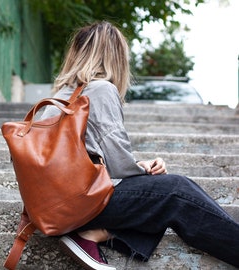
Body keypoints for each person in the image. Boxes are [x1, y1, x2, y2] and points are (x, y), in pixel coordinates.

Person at [41, 21, 239, 270]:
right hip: (78, 204)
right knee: (176, 190)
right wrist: (144, 173)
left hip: (52, 205)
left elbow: (88, 160)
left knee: (158, 193)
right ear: (115, 57)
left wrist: (140, 169)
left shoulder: (54, 99)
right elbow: (119, 167)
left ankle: (97, 234)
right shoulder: (101, 90)